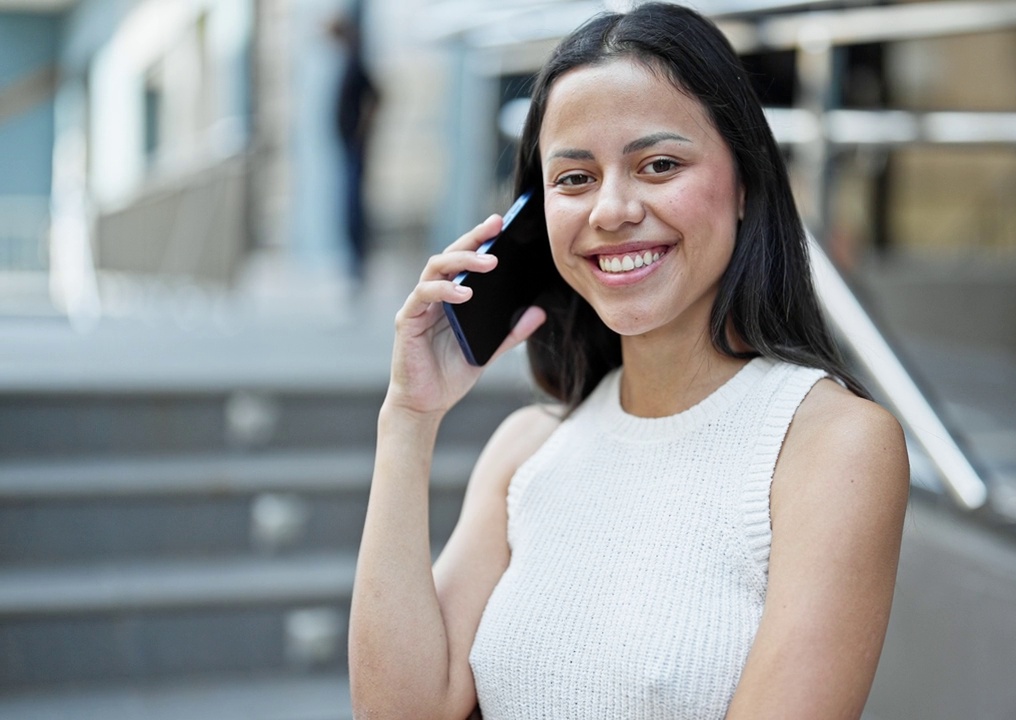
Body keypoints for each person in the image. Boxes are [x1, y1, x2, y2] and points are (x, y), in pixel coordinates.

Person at [348, 4, 908, 718]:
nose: (610, 210)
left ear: (744, 184)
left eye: (659, 165)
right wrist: (407, 419)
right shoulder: (528, 450)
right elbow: (398, 710)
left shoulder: (831, 445)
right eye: (573, 178)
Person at [328, 12, 380, 286]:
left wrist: (362, 130)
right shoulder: (347, 61)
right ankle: (354, 263)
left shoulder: (355, 61)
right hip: (348, 147)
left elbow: (378, 95)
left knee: (353, 208)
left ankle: (358, 264)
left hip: (354, 149)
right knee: (348, 206)